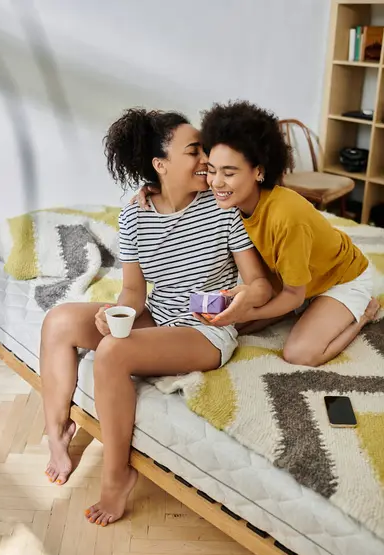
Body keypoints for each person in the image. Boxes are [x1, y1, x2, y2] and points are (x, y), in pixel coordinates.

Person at [40, 108, 272, 526]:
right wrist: (116, 312)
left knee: (112, 353)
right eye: (194, 150)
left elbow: (258, 283)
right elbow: (133, 291)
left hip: (205, 331)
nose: (206, 159)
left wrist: (241, 298)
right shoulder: (134, 215)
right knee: (58, 320)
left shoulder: (222, 208)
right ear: (160, 165)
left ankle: (116, 476)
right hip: (158, 318)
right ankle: (56, 433)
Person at [135, 101, 380, 367]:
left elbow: (293, 294)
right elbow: (180, 185)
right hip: (291, 278)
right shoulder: (229, 198)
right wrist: (152, 187)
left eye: (229, 172)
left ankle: (366, 312)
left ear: (259, 171)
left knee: (299, 354)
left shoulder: (286, 216)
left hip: (339, 280)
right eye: (212, 170)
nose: (216, 182)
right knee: (227, 326)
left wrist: (247, 312)